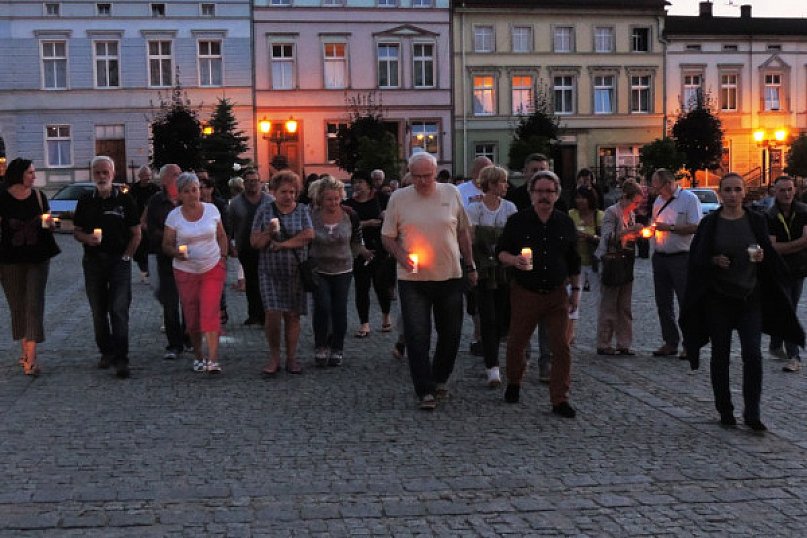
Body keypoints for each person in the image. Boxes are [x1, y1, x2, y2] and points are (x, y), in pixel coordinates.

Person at [681, 173, 804, 432]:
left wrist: (762, 256)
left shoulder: (756, 220)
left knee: (752, 356)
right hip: (719, 299)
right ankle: (725, 408)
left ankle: (752, 412)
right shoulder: (711, 223)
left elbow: (769, 254)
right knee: (721, 355)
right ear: (721, 193)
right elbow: (697, 258)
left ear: (744, 193)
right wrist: (714, 261)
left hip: (750, 298)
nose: (733, 194)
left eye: (737, 189)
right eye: (727, 190)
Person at [381, 152, 477, 410]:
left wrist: (470, 265)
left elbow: (463, 232)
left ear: (435, 172)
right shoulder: (399, 198)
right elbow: (387, 237)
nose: (423, 181)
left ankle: (440, 377)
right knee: (416, 335)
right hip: (413, 278)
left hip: (450, 275)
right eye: (417, 176)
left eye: (427, 175)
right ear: (409, 174)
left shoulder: (451, 192)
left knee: (452, 333)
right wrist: (402, 256)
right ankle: (424, 390)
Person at [497, 170, 581, 418]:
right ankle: (514, 381)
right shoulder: (517, 221)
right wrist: (514, 260)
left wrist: (575, 290)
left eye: (549, 191)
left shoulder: (565, 222)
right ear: (531, 194)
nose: (544, 196)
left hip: (556, 294)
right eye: (539, 191)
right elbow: (501, 252)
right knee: (517, 343)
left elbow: (573, 260)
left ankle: (560, 399)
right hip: (526, 292)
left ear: (556, 195)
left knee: (561, 347)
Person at [73, 156, 141, 378]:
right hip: (93, 261)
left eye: (105, 172)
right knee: (98, 311)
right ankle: (106, 351)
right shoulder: (85, 200)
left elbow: (136, 232)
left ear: (113, 174)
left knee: (119, 310)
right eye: (97, 173)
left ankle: (122, 358)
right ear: (93, 174)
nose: (101, 177)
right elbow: (77, 231)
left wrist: (128, 256)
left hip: (118, 261)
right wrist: (86, 238)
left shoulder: (124, 200)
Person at [162, 172, 228, 373]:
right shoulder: (174, 216)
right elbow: (166, 245)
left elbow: (222, 235)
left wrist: (223, 258)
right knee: (192, 316)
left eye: (195, 189)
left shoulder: (212, 210)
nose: (192, 194)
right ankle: (199, 354)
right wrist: (176, 253)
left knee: (210, 311)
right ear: (180, 194)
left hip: (212, 267)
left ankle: (213, 359)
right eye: (187, 191)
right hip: (186, 271)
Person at [0, 158, 60, 376]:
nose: (34, 177)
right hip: (10, 260)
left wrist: (51, 224)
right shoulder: (2, 197)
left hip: (38, 258)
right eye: (30, 173)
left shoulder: (38, 196)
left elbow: (48, 222)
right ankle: (25, 351)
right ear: (18, 174)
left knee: (34, 304)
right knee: (18, 305)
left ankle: (31, 359)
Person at [251, 170, 314, 376]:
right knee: (272, 313)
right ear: (274, 192)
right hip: (269, 271)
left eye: (292, 192)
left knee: (293, 315)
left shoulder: (303, 210)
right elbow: (255, 243)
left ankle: (292, 358)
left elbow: (308, 235)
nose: (289, 196)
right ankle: (274, 357)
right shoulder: (264, 211)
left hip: (295, 271)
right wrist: (269, 232)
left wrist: (284, 244)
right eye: (284, 191)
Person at [466, 165, 517, 387]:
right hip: (485, 271)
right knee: (488, 318)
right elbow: (470, 240)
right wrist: (471, 267)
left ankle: (497, 352)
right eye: (503, 182)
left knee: (504, 317)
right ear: (493, 184)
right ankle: (492, 366)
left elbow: (515, 239)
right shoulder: (475, 208)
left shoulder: (510, 208)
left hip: (505, 270)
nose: (506, 186)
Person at [308, 176, 364, 366]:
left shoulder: (350, 215)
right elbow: (306, 240)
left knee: (339, 309)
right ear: (320, 199)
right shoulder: (311, 216)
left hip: (343, 269)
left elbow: (356, 239)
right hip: (319, 268)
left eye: (336, 198)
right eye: (329, 199)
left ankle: (337, 348)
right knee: (322, 307)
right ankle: (321, 345)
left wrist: (356, 255)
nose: (333, 203)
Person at [649, 168, 702, 358]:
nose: (655, 191)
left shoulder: (689, 200)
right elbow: (655, 224)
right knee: (663, 302)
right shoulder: (658, 201)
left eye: (657, 187)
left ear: (668, 184)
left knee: (685, 301)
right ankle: (670, 342)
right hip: (660, 256)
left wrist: (670, 227)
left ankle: (690, 344)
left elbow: (696, 226)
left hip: (682, 257)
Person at [594, 180, 644, 355]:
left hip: (626, 261)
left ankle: (624, 343)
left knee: (624, 305)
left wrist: (636, 234)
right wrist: (629, 232)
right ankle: (604, 342)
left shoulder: (630, 215)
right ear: (625, 198)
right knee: (609, 304)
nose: (636, 206)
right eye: (635, 202)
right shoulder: (612, 212)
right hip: (611, 262)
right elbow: (607, 237)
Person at [143, 163, 186, 360]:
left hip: (187, 258)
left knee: (189, 301)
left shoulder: (187, 198)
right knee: (170, 303)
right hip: (165, 256)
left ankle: (189, 338)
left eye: (180, 174)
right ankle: (174, 344)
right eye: (175, 175)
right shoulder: (156, 202)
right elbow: (151, 229)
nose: (179, 177)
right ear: (165, 180)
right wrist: (171, 237)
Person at [766, 174, 807, 372]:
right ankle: (794, 356)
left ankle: (775, 344)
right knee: (788, 310)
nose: (787, 193)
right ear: (775, 192)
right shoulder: (770, 215)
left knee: (787, 307)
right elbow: (773, 248)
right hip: (778, 270)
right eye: (782, 190)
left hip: (799, 269)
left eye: (790, 189)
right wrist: (799, 243)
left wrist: (786, 247)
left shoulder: (804, 211)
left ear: (795, 190)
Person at [343, 172, 392, 337]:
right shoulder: (348, 205)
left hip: (379, 248)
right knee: (361, 287)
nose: (357, 185)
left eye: (361, 182)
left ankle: (386, 315)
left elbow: (393, 215)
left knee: (381, 286)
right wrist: (367, 223)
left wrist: (386, 215)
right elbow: (346, 226)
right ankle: (364, 323)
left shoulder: (381, 198)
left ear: (369, 184)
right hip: (359, 250)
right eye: (355, 182)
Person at [228, 168, 273, 326]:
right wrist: (230, 246)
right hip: (245, 247)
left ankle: (265, 315)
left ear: (260, 183)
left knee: (265, 281)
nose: (253, 184)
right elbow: (229, 227)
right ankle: (253, 313)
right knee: (251, 281)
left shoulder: (269, 201)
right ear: (244, 183)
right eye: (249, 181)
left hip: (267, 248)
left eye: (255, 181)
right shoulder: (235, 203)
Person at [568, 187, 603, 325]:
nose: (580, 201)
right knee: (572, 295)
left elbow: (604, 239)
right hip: (577, 262)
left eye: (583, 197)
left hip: (595, 261)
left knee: (600, 299)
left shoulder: (599, 215)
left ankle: (603, 332)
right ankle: (570, 331)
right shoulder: (571, 214)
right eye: (577, 197)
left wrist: (590, 237)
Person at [129, 165, 159, 281]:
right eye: (144, 175)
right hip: (137, 223)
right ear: (139, 176)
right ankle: (144, 271)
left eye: (148, 175)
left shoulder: (154, 189)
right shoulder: (134, 189)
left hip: (151, 222)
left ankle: (150, 272)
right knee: (139, 250)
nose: (146, 177)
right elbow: (130, 206)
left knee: (151, 248)